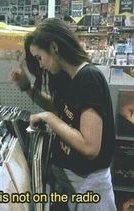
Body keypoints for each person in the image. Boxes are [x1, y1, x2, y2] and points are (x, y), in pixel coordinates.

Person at [10, 18, 116, 211]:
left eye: (40, 58)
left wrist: (48, 118)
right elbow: (61, 110)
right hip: (72, 183)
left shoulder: (89, 77)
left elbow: (90, 146)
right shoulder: (68, 78)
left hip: (89, 188)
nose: (40, 65)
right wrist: (27, 88)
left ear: (54, 47)